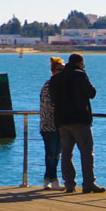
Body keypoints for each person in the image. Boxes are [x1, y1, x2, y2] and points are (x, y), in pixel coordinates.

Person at [48, 53, 106, 193]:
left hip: (62, 120)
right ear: (80, 63)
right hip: (80, 120)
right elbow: (91, 93)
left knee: (66, 154)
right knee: (86, 153)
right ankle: (88, 184)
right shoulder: (80, 75)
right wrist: (84, 74)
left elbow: (53, 98)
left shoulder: (55, 79)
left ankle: (69, 185)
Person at [38, 56, 65, 190]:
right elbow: (48, 105)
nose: (62, 72)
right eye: (60, 70)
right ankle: (54, 180)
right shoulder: (48, 85)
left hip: (59, 124)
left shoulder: (60, 85)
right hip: (48, 125)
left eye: (63, 70)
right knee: (51, 154)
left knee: (56, 154)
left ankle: (47, 179)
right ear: (53, 71)